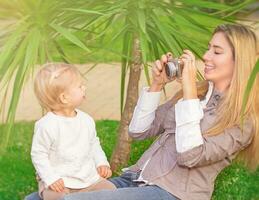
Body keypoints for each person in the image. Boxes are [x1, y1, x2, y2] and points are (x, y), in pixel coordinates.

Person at [25, 23, 258, 200]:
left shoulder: (241, 120)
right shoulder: (196, 95)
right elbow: (138, 131)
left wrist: (187, 89)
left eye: (216, 52)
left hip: (172, 193)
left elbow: (190, 155)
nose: (205, 56)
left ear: (240, 62)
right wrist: (156, 86)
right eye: (208, 48)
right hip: (136, 180)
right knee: (34, 199)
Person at [30, 63, 115, 200]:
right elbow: (39, 154)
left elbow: (93, 143)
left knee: (111, 191)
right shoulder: (47, 126)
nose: (84, 88)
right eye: (80, 86)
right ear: (64, 98)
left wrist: (101, 162)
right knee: (55, 197)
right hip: (60, 182)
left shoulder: (86, 120)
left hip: (88, 178)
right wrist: (51, 178)